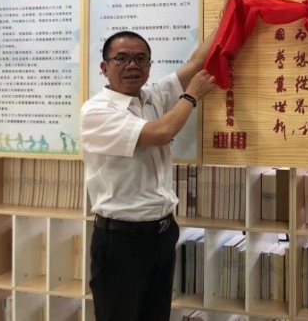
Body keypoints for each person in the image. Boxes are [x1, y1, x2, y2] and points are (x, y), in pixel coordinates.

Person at [80, 29, 218, 321]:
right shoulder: (96, 112)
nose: (132, 65)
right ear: (104, 67)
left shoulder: (151, 97)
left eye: (141, 58)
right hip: (121, 241)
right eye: (122, 59)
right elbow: (160, 132)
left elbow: (196, 62)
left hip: (162, 233)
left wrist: (230, 12)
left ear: (149, 65)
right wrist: (191, 96)